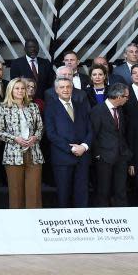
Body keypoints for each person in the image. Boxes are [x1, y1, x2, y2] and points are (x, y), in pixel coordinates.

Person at [0, 78, 44, 209]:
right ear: (11, 90)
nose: (20, 91)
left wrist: (35, 137)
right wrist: (15, 138)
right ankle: (17, 224)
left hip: (34, 153)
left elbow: (40, 128)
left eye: (23, 88)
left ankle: (34, 223)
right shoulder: (3, 108)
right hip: (13, 154)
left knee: (34, 191)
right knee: (16, 192)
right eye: (17, 88)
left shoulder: (33, 106)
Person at [45, 78, 92, 208]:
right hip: (62, 157)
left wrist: (84, 146)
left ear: (72, 88)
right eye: (62, 87)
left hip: (82, 156)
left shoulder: (81, 105)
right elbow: (51, 134)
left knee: (82, 194)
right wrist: (70, 148)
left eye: (68, 87)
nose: (65, 89)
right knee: (63, 195)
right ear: (56, 90)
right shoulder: (50, 108)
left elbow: (90, 129)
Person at [90, 83, 131, 207]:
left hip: (121, 156)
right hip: (104, 157)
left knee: (121, 190)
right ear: (118, 97)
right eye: (126, 96)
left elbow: (121, 133)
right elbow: (93, 134)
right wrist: (97, 154)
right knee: (103, 190)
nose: (128, 99)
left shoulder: (120, 110)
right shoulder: (97, 110)